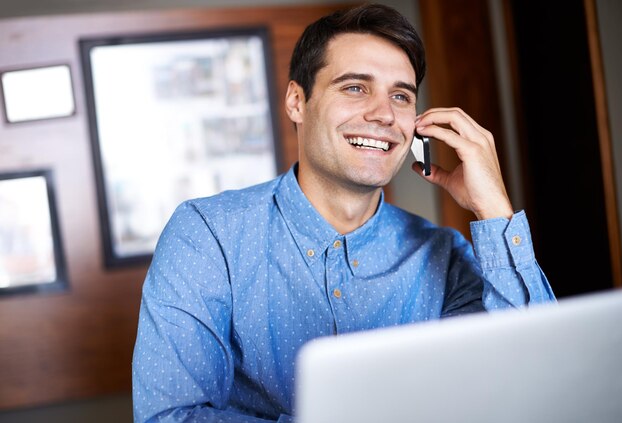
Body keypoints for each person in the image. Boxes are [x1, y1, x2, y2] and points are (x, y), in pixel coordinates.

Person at [132, 3, 556, 422]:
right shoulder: (207, 235)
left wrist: (495, 209)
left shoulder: (444, 257)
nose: (384, 114)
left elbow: (536, 386)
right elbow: (170, 417)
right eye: (355, 87)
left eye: (401, 96)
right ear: (297, 102)